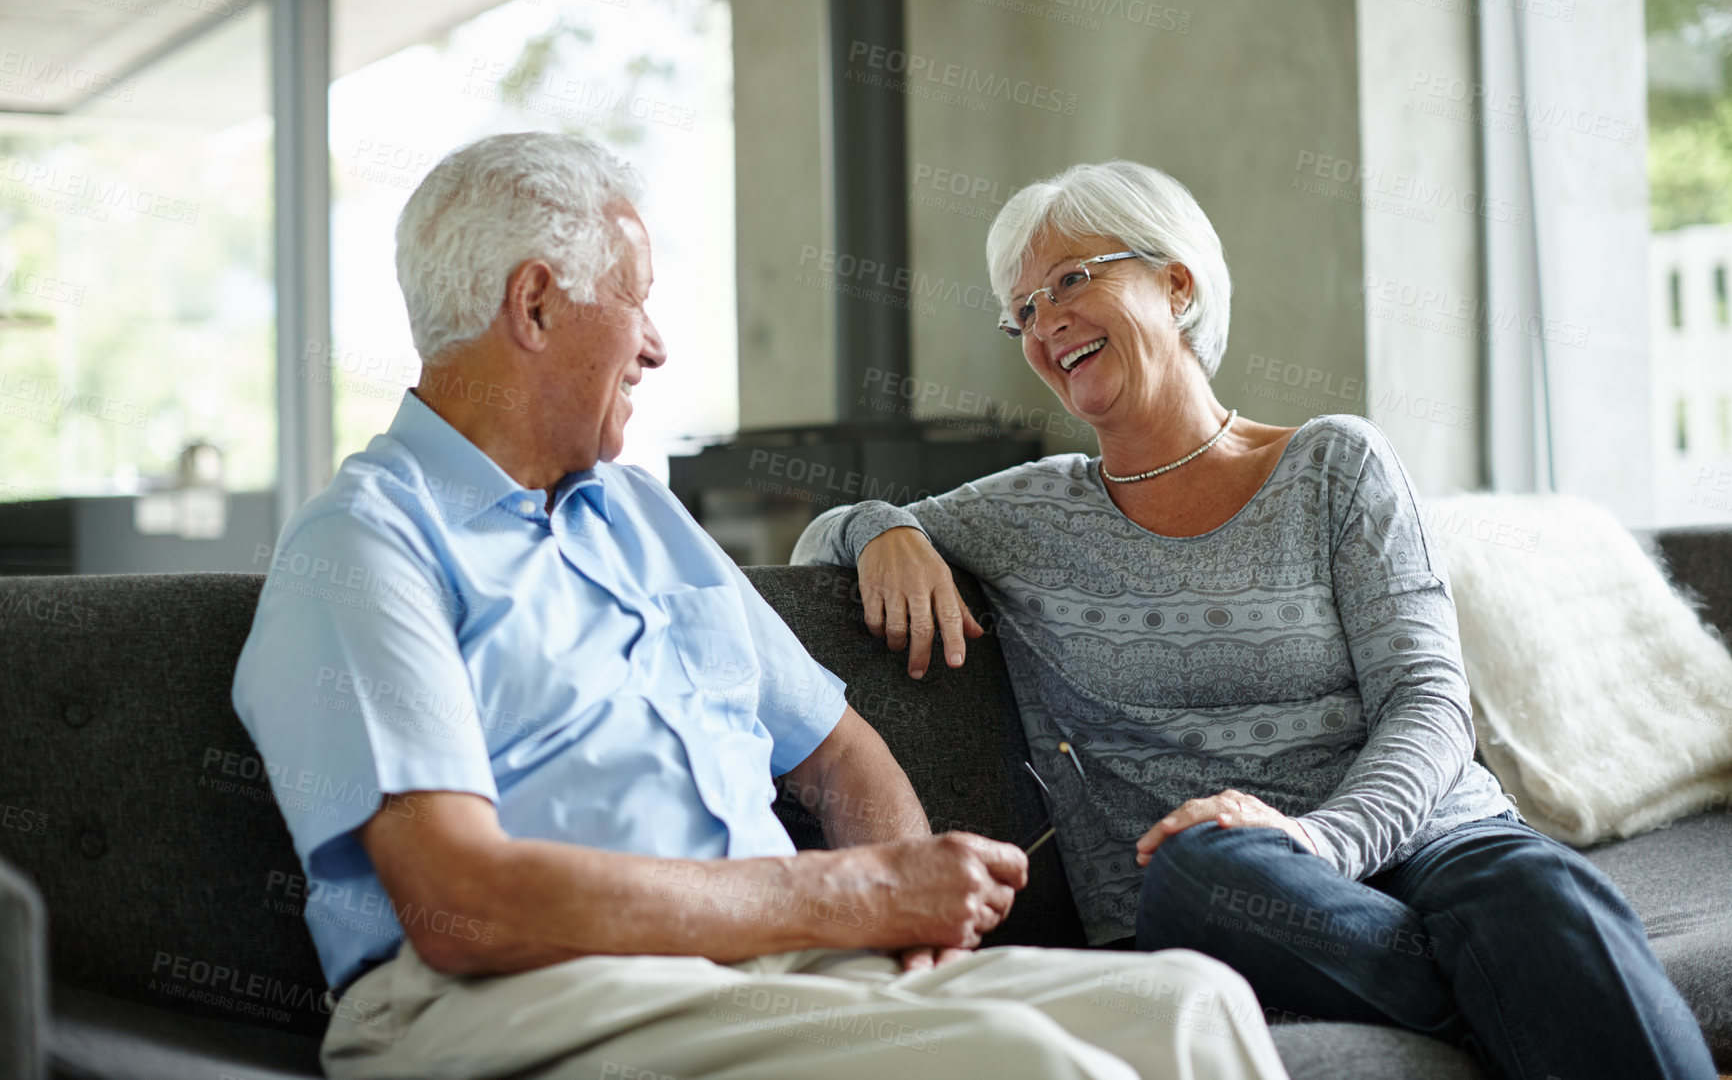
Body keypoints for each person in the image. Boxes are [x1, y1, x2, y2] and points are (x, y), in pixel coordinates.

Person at [231, 133, 1290, 1080]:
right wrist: (853, 896)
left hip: (766, 967)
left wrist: (905, 933)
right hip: (527, 994)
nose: (655, 345)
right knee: (1020, 1063)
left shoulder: (639, 516)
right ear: (538, 303)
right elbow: (462, 902)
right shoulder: (368, 543)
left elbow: (840, 755)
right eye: (636, 301)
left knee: (1190, 1002)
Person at [793, 159, 1717, 1080]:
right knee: (1200, 869)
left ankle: (1510, 984)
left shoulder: (1335, 467)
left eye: (1072, 278)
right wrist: (882, 530)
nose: (1046, 322)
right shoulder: (1029, 515)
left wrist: (1322, 834)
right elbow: (808, 558)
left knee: (1541, 887)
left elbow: (1431, 704)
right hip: (1233, 889)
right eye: (1024, 309)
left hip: (1431, 842)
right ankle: (1529, 995)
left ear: (1177, 284)